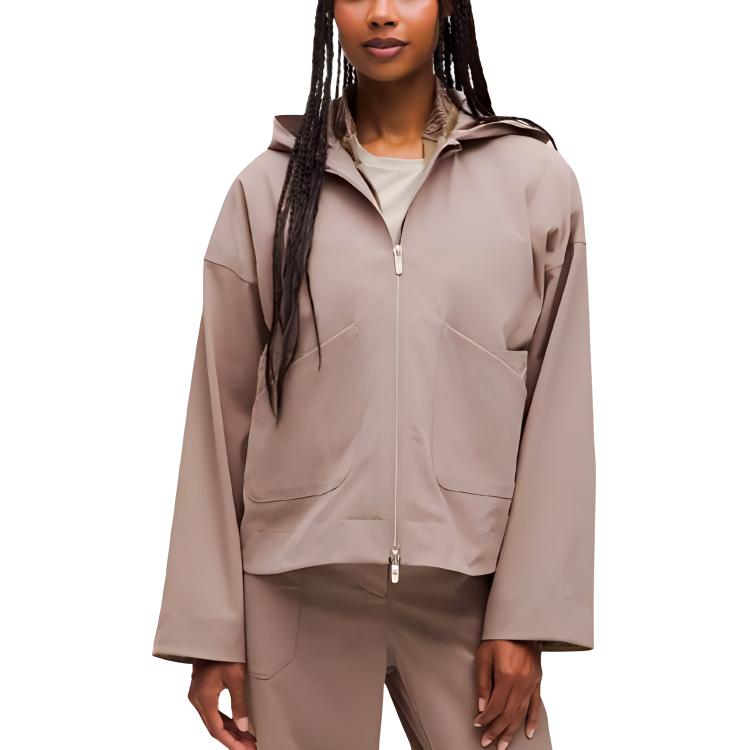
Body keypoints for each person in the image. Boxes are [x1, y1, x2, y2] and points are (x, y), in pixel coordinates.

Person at [151, 1, 596, 748]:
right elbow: (219, 414)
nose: (383, 13)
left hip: (469, 592)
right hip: (296, 590)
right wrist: (210, 629)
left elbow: (558, 407)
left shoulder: (533, 182)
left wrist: (528, 617)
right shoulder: (268, 190)